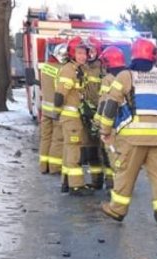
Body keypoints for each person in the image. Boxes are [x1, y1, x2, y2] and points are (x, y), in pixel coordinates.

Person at [98, 38, 157, 226]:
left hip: (132, 138)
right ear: (154, 56)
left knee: (125, 174)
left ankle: (117, 209)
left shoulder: (125, 76)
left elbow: (111, 105)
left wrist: (105, 130)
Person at [53, 36, 93, 196]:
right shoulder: (69, 70)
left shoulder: (77, 69)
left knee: (68, 149)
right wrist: (58, 111)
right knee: (74, 150)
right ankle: (76, 185)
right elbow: (60, 95)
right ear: (71, 53)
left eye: (84, 53)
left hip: (73, 117)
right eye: (79, 53)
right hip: (71, 117)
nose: (83, 56)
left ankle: (66, 182)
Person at [94, 45, 127, 189]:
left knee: (111, 154)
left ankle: (117, 185)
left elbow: (104, 102)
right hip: (126, 123)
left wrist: (97, 121)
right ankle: (113, 182)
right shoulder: (128, 75)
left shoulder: (108, 79)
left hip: (111, 122)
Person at [82, 36, 105, 189]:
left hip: (100, 114)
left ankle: (110, 182)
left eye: (92, 50)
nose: (89, 53)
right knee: (91, 150)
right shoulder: (82, 68)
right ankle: (96, 181)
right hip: (86, 114)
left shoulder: (102, 69)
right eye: (87, 50)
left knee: (104, 150)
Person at [38, 45, 64, 174]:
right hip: (56, 109)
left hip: (45, 109)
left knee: (45, 138)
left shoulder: (46, 66)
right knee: (57, 139)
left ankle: (43, 166)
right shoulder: (60, 70)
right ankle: (55, 167)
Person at [47, 44, 69, 177]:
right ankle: (55, 167)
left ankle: (50, 166)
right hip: (60, 110)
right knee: (59, 139)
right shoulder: (63, 70)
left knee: (52, 138)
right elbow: (60, 93)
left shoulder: (49, 67)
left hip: (51, 109)